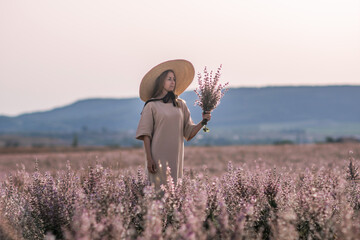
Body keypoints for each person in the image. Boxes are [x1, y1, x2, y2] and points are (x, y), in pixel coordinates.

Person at [135, 59, 211, 197]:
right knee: (157, 194)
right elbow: (146, 134)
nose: (172, 82)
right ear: (161, 82)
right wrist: (149, 159)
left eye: (174, 79)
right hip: (157, 156)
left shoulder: (180, 104)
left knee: (173, 194)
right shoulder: (151, 105)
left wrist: (203, 122)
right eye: (169, 79)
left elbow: (188, 133)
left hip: (175, 157)